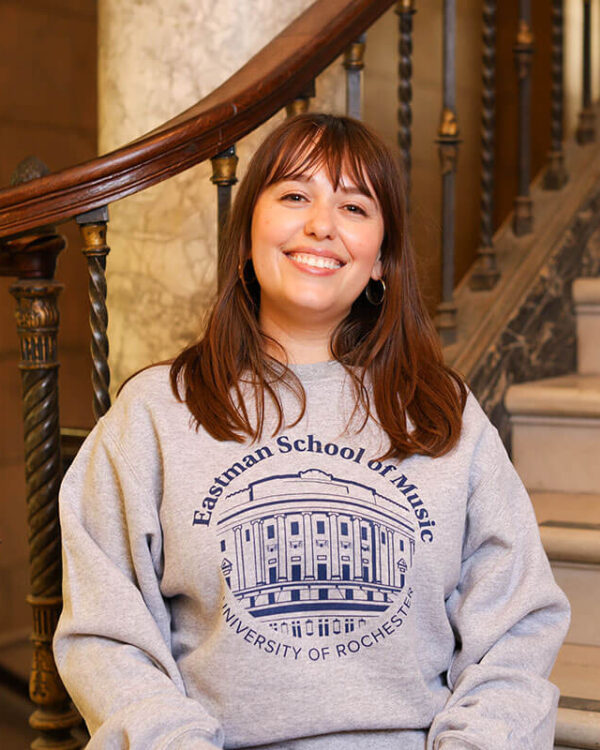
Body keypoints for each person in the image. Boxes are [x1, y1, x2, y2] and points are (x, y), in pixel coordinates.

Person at [54, 113, 570, 750]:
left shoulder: (443, 411)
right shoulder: (156, 413)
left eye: (354, 206)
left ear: (382, 258)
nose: (321, 224)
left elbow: (516, 632)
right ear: (246, 236)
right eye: (295, 196)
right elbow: (108, 637)